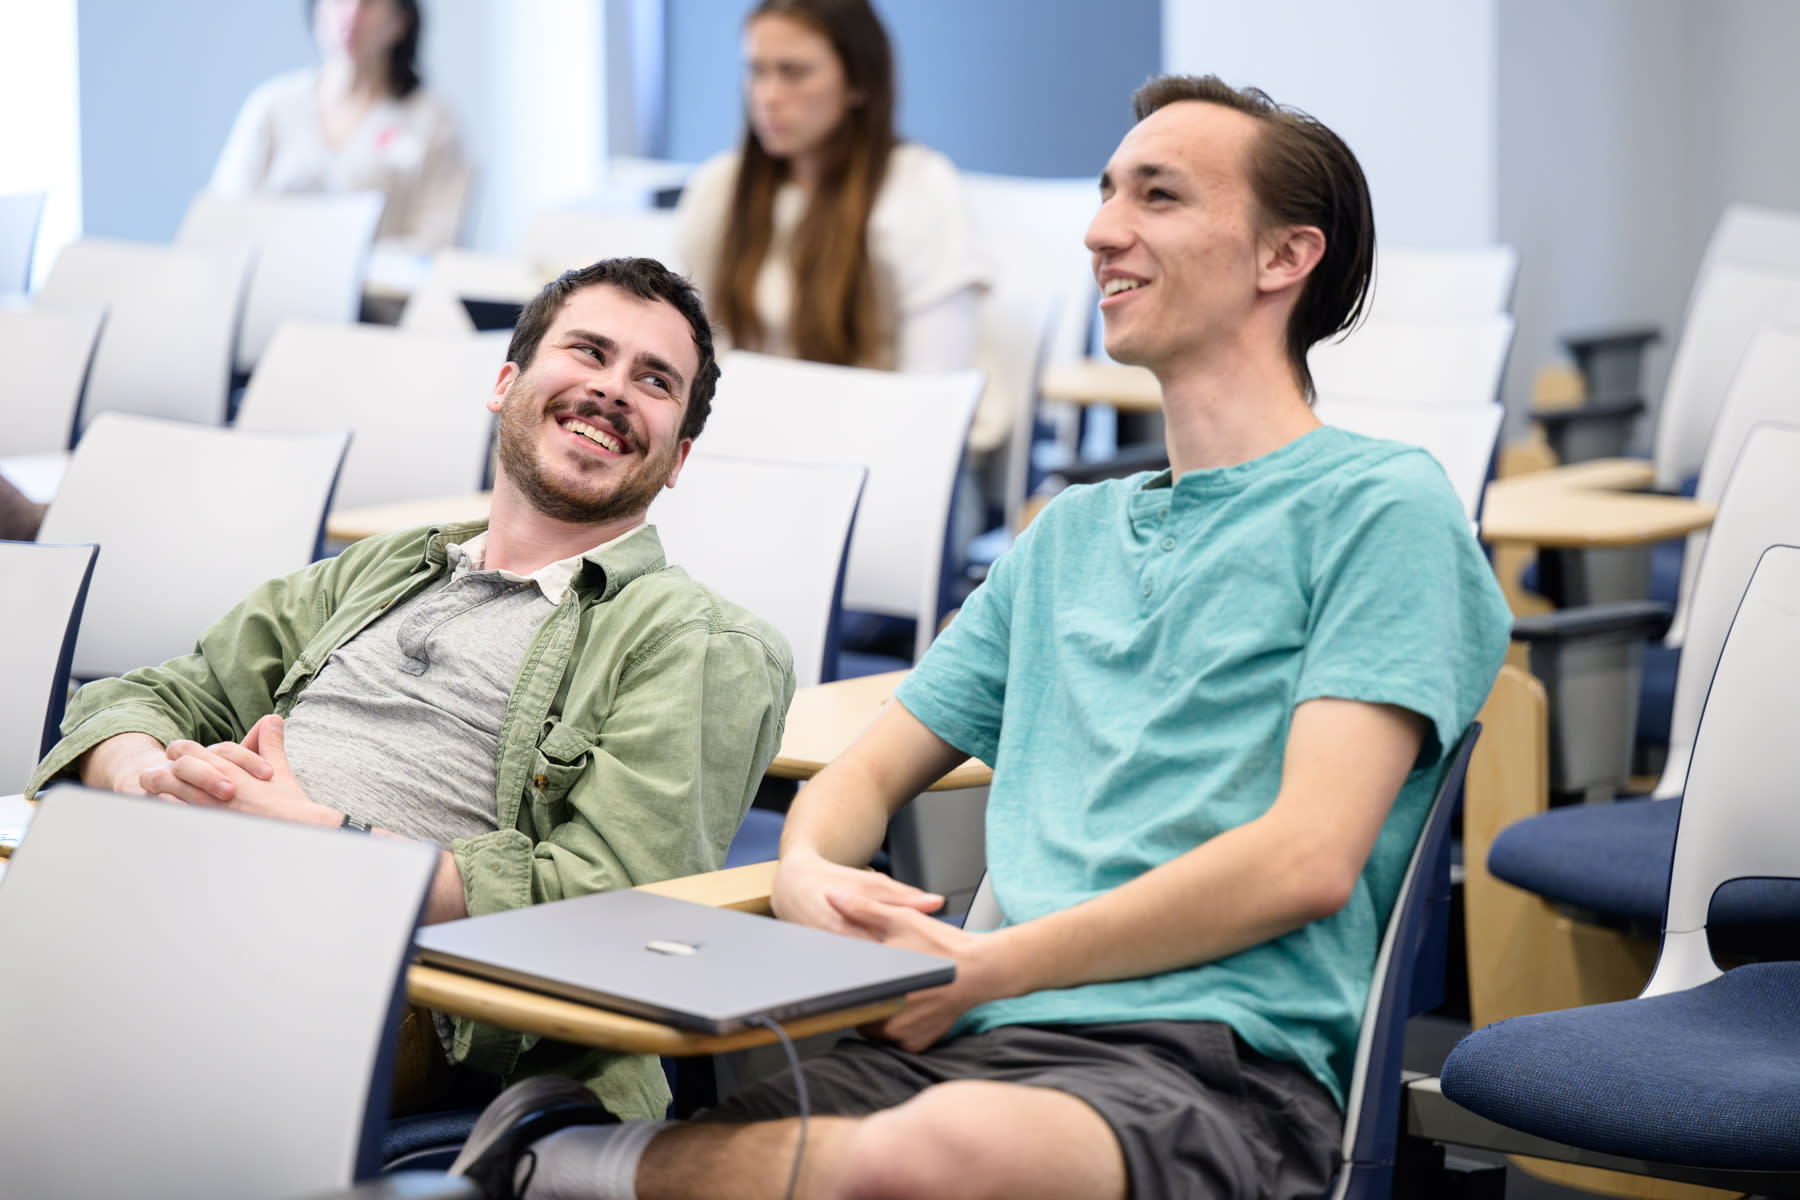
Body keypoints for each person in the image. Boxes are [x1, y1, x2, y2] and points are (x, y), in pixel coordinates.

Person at [450, 72, 1515, 1200]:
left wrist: (986, 964)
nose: (1103, 229)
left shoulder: (1382, 504)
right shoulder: (1072, 535)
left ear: (1282, 257)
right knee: (804, 1137)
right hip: (962, 1039)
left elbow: (1305, 860)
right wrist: (814, 873)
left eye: (1159, 197)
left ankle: (566, 1166)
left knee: (929, 1157)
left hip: (1211, 1062)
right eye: (1108, 193)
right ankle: (566, 1161)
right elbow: (863, 772)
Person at [26, 257, 795, 1122]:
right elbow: (156, 693)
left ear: (678, 456)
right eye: (588, 352)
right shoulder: (389, 563)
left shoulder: (698, 642)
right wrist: (142, 781)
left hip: (395, 986)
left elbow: (614, 906)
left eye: (654, 381)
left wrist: (328, 841)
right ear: (507, 384)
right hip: (176, 890)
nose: (613, 389)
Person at [676, 0, 987, 373]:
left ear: (858, 81)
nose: (767, 96)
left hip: (877, 424)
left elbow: (935, 389)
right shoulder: (719, 187)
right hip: (746, 420)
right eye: (757, 71)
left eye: (793, 72)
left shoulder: (920, 189)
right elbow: (691, 357)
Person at [210, 0, 472, 254]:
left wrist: (346, 262)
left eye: (369, 3)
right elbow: (226, 220)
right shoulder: (272, 106)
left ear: (400, 22)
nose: (352, 13)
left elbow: (439, 242)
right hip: (273, 290)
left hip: (379, 296)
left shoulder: (431, 121)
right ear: (316, 11)